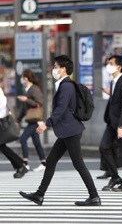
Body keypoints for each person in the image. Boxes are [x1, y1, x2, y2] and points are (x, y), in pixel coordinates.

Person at [19, 55, 100, 206]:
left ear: (63, 69)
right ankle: (39, 195)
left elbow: (61, 108)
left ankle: (94, 196)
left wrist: (46, 124)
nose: (53, 70)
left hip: (71, 130)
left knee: (78, 164)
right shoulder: (64, 85)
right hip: (66, 130)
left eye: (55, 67)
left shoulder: (67, 86)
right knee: (51, 161)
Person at [99, 55, 122, 192]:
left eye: (111, 63)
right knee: (104, 147)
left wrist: (121, 126)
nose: (108, 64)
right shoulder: (114, 81)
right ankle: (114, 176)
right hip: (112, 121)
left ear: (119, 67)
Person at [16, 69, 46, 172]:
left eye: (23, 77)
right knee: (37, 143)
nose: (22, 79)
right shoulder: (27, 89)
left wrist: (26, 100)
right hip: (31, 119)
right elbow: (24, 108)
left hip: (35, 120)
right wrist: (18, 120)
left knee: (23, 139)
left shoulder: (34, 89)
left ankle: (25, 163)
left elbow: (39, 103)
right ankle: (43, 163)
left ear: (26, 78)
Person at [0, 87, 28, 179]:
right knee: (1, 146)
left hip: (1, 120)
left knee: (1, 146)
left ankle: (20, 165)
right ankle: (20, 165)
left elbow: (2, 104)